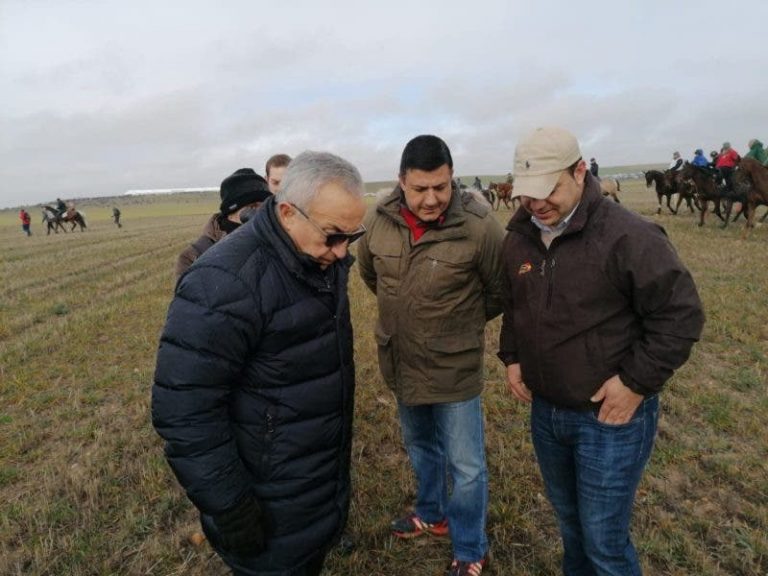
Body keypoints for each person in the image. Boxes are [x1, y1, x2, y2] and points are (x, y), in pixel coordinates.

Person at [499, 127, 704, 576]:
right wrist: (512, 355)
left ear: (579, 171)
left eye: (547, 190)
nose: (536, 205)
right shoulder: (518, 236)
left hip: (609, 420)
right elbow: (516, 305)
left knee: (604, 544)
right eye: (527, 194)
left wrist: (634, 384)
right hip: (546, 414)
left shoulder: (630, 236)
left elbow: (681, 314)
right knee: (572, 530)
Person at [152, 151, 367, 576]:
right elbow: (184, 411)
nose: (342, 253)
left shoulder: (317, 259)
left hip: (310, 491)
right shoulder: (224, 283)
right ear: (287, 212)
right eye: (333, 236)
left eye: (351, 237)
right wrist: (231, 508)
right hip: (264, 508)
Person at [356, 135, 504, 576]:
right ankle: (432, 512)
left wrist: (451, 325)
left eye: (441, 186)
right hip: (401, 360)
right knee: (421, 446)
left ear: (452, 178)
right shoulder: (377, 221)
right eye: (420, 188)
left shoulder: (479, 224)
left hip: (454, 367)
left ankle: (470, 548)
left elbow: (497, 292)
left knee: (467, 465)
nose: (431, 198)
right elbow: (370, 275)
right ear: (401, 181)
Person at [175, 168, 272, 278]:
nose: (259, 215)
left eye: (263, 207)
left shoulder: (274, 244)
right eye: (252, 207)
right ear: (230, 211)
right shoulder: (193, 256)